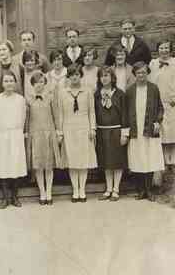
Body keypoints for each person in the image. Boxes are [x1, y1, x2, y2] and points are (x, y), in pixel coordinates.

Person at [57, 64, 97, 203]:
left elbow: (92, 111)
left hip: (84, 127)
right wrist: (60, 132)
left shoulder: (88, 91)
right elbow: (60, 113)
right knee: (72, 160)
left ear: (81, 76)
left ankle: (82, 190)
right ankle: (75, 190)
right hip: (68, 128)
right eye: (72, 75)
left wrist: (93, 128)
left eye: (77, 74)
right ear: (68, 77)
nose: (74, 77)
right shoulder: (62, 92)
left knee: (83, 160)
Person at [125, 61, 164, 202]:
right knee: (137, 159)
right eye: (138, 73)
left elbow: (160, 108)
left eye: (143, 72)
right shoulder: (130, 91)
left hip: (150, 130)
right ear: (134, 74)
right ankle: (141, 190)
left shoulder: (153, 88)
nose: (141, 75)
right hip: (136, 130)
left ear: (147, 73)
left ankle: (149, 190)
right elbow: (125, 111)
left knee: (150, 158)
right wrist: (126, 130)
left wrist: (158, 121)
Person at [0, 71, 27, 209]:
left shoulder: (20, 99)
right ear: (2, 83)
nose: (9, 83)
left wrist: (19, 132)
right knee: (3, 165)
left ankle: (15, 196)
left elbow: (23, 117)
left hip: (16, 134)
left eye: (11, 81)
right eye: (6, 81)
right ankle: (5, 197)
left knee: (16, 164)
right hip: (1, 135)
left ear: (15, 83)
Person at [27, 72, 61, 205]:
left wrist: (58, 131)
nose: (39, 85)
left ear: (45, 83)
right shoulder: (29, 99)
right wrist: (27, 132)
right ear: (32, 84)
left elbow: (56, 115)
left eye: (41, 82)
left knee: (49, 165)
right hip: (35, 134)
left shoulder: (50, 97)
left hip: (48, 133)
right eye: (36, 82)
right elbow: (27, 118)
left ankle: (49, 192)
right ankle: (42, 191)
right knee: (38, 165)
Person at [95, 66, 128, 202]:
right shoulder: (97, 94)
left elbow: (125, 114)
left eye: (107, 75)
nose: (104, 78)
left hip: (116, 131)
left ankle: (116, 189)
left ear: (112, 77)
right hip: (102, 131)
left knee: (116, 161)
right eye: (102, 76)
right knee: (106, 161)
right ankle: (108, 189)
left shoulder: (120, 94)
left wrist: (124, 133)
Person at [149, 40, 175, 169]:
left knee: (172, 132)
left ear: (170, 50)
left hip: (172, 103)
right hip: (158, 104)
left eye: (166, 48)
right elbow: (150, 82)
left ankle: (173, 161)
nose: (164, 50)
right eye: (161, 48)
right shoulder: (153, 64)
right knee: (161, 133)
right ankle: (163, 161)